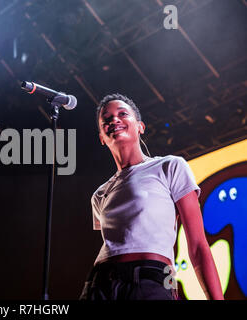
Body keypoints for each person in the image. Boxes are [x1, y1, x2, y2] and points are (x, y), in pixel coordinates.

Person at [79, 93, 224, 300]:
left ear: (140, 127)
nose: (114, 119)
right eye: (106, 119)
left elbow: (198, 245)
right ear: (102, 137)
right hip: (99, 285)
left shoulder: (169, 166)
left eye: (122, 114)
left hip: (150, 280)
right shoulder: (100, 194)